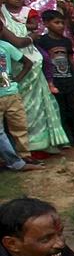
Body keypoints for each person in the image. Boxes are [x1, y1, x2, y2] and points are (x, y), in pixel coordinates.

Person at [1, 0, 71, 156]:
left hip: (31, 64)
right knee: (25, 110)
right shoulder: (3, 17)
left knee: (41, 105)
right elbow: (18, 42)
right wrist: (32, 37)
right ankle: (30, 149)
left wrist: (30, 35)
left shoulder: (20, 13)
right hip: (16, 66)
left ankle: (44, 144)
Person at [33, 9, 74, 148]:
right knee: (60, 110)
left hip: (68, 78)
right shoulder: (43, 41)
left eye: (62, 23)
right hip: (53, 81)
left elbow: (70, 59)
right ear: (46, 23)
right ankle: (65, 139)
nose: (61, 26)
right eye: (56, 22)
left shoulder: (66, 41)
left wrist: (73, 76)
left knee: (73, 109)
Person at [0, 34, 42, 171]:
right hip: (9, 92)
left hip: (10, 93)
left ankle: (24, 157)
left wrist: (16, 80)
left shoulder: (5, 46)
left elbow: (28, 62)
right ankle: (14, 161)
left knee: (19, 126)